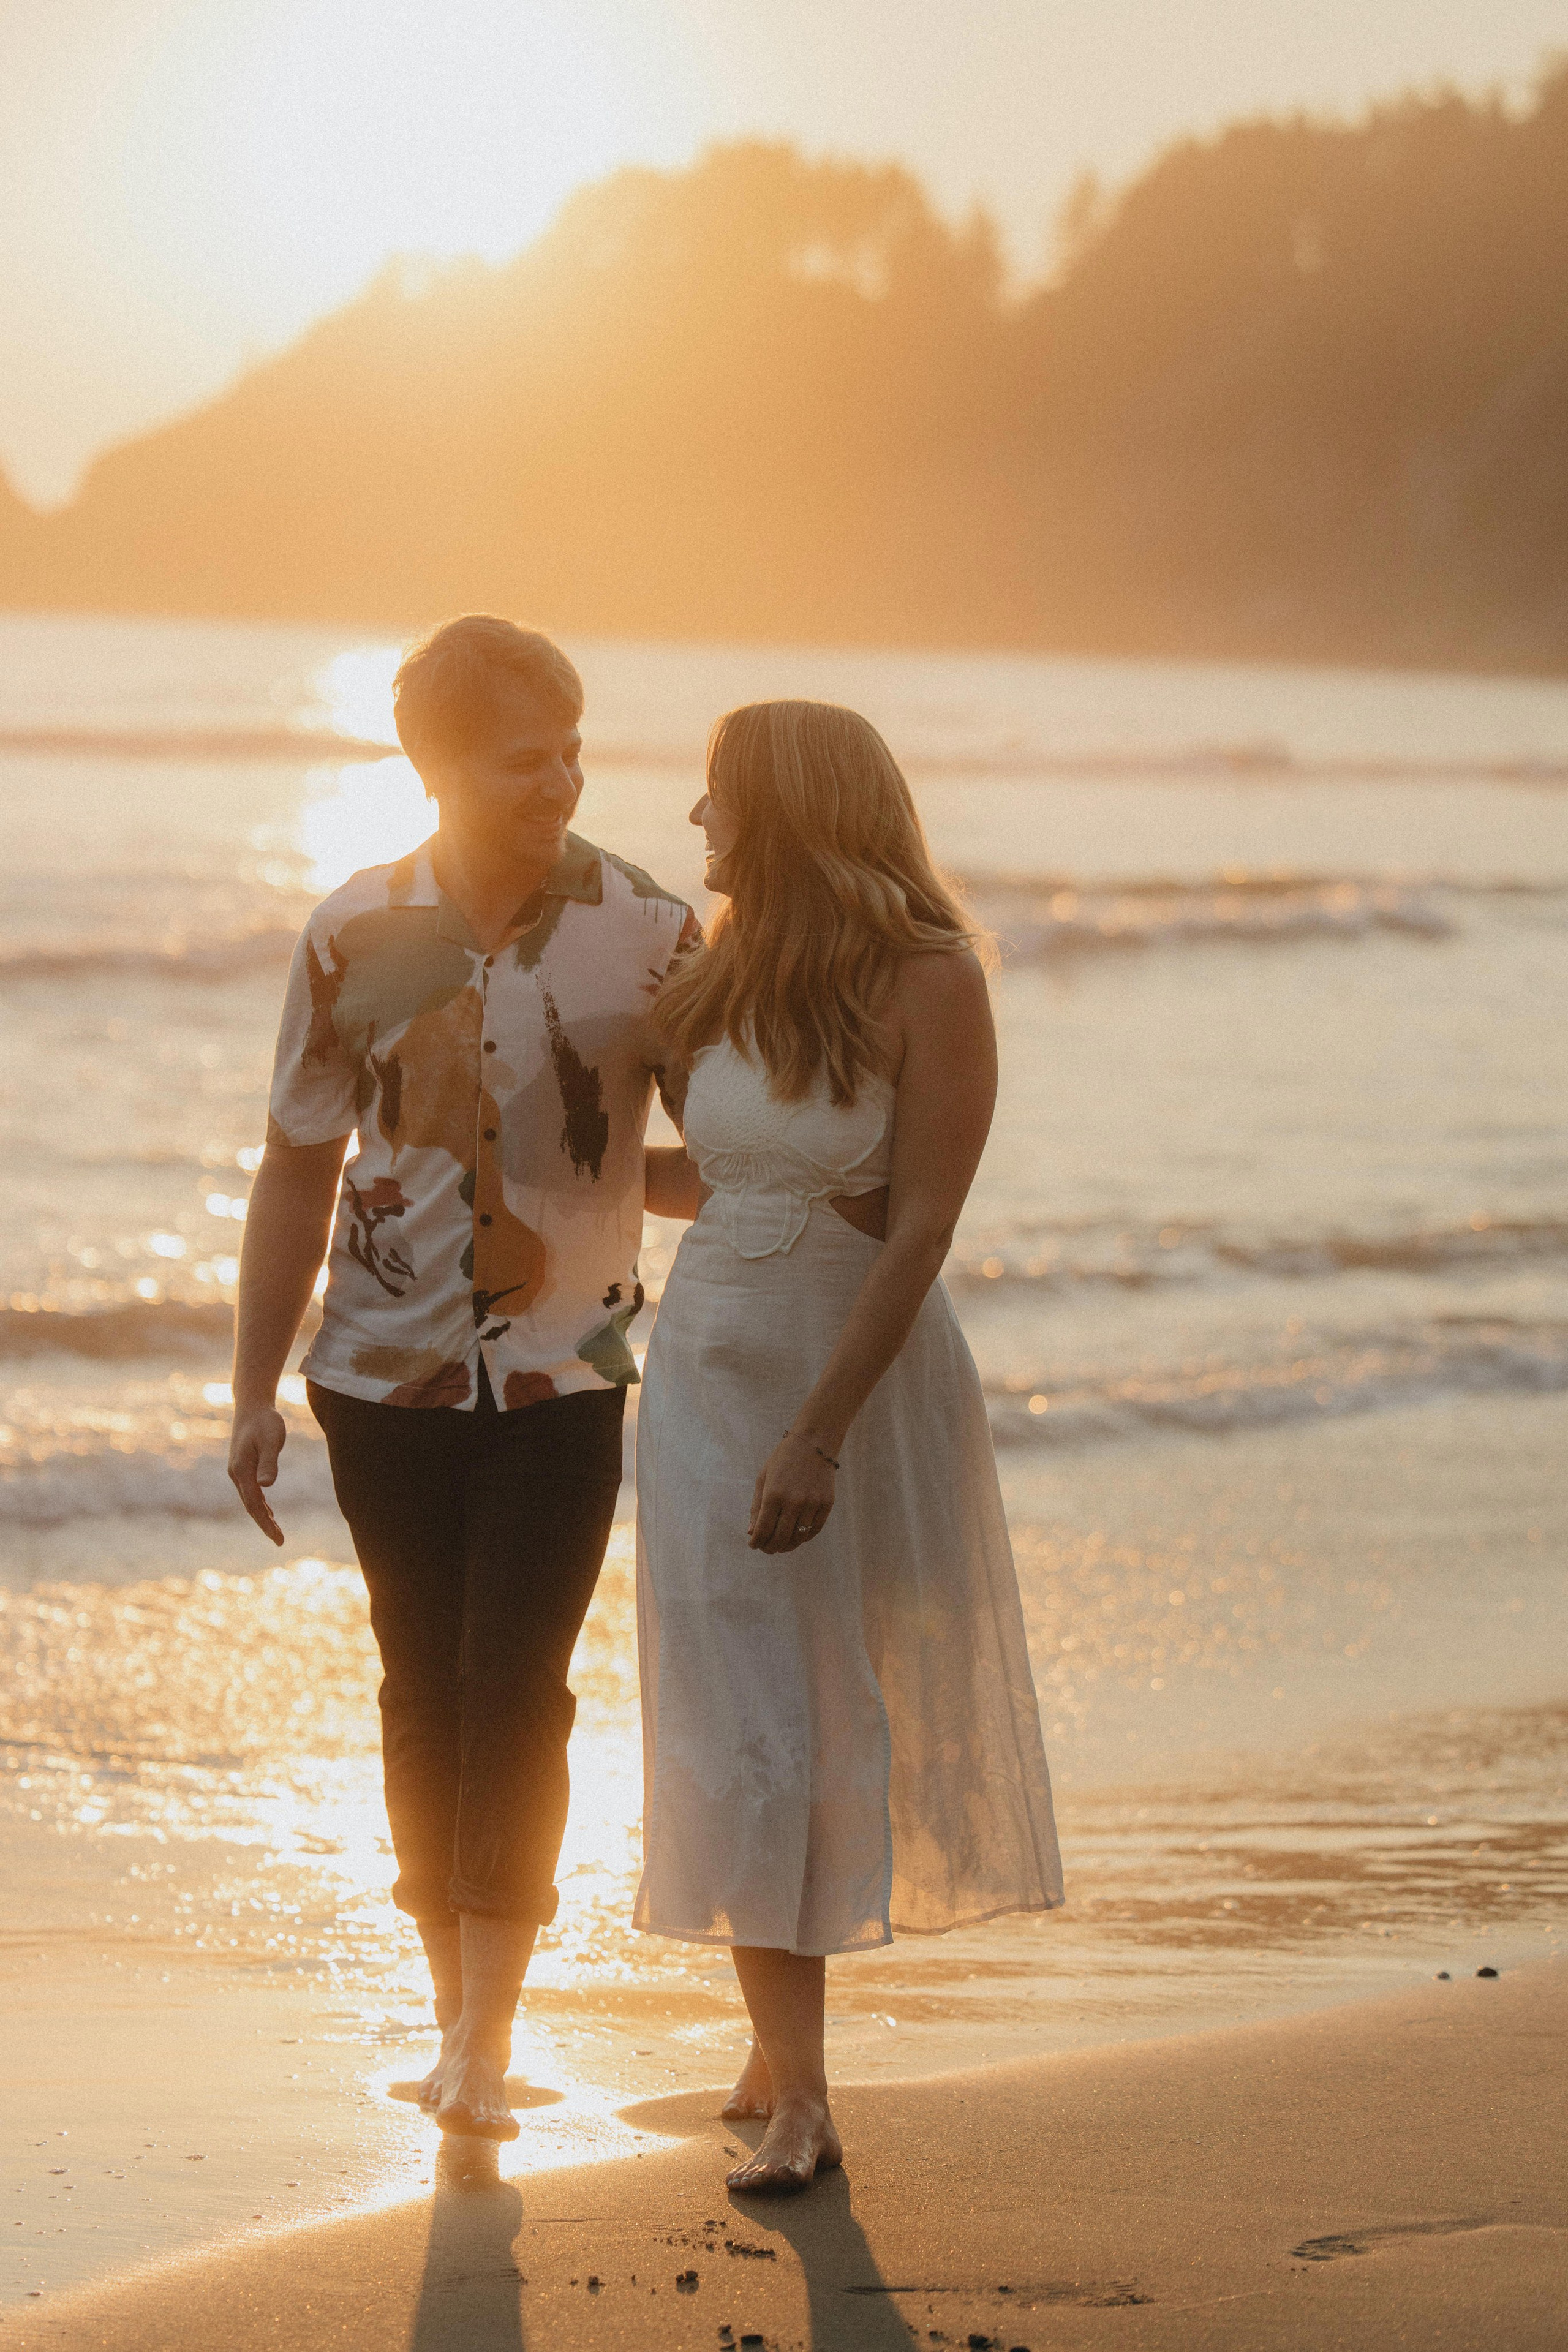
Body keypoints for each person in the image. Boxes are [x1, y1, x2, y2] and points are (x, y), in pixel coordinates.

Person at [228, 614, 699, 2141]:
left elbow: (722, 1136)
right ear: (435, 768)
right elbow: (297, 1170)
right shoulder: (351, 934)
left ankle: (489, 2039)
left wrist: (803, 1191)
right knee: (417, 1689)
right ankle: (447, 2014)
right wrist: (250, 1392)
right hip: (377, 1379)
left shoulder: (646, 927)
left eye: (572, 753)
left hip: (571, 1378)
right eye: (523, 762)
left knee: (523, 1688)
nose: (558, 782)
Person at [637, 698, 1063, 2194]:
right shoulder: (721, 964)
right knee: (733, 1704)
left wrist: (816, 1433)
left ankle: (801, 2096)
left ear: (787, 803)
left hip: (848, 1387)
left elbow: (919, 1225)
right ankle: (784, 2064)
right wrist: (535, 1173)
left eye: (715, 797)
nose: (696, 824)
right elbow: (722, 1183)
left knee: (816, 1707)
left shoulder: (930, 975)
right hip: (700, 1376)